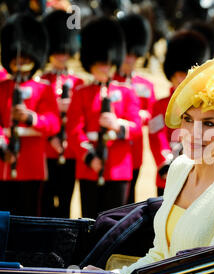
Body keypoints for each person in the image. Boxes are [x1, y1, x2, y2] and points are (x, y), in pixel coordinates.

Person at [85, 53, 214, 274]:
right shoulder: (180, 167)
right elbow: (159, 255)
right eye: (188, 119)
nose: (194, 133)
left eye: (208, 123)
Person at [65, 16, 142, 219]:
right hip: (90, 167)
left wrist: (117, 126)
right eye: (100, 64)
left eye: (108, 64)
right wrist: (89, 156)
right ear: (90, 63)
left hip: (118, 168)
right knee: (90, 220)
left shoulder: (127, 92)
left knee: (115, 224)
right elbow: (74, 130)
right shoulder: (81, 93)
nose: (104, 68)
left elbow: (136, 127)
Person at [0, 13, 60, 217]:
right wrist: (2, 146)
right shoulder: (3, 87)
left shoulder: (43, 88)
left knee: (29, 215)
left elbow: (53, 124)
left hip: (32, 163)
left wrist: (30, 118)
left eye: (26, 56)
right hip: (5, 160)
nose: (21, 60)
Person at [148, 30, 210, 196]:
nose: (181, 80)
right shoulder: (159, 105)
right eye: (178, 75)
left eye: (185, 75)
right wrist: (166, 164)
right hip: (168, 171)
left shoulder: (203, 106)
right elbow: (156, 136)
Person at [40, 9, 84, 218]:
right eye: (57, 52)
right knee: (46, 199)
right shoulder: (43, 80)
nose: (61, 56)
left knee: (66, 200)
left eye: (64, 52)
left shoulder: (78, 83)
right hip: (47, 149)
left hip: (70, 150)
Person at [114, 13, 157, 204]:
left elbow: (155, 117)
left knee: (131, 198)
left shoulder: (146, 85)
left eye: (134, 55)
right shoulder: (111, 83)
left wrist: (142, 117)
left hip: (136, 150)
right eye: (127, 54)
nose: (130, 59)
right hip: (115, 150)